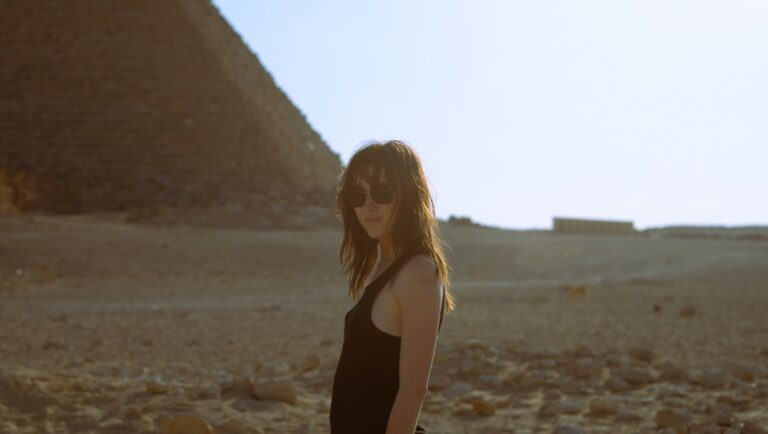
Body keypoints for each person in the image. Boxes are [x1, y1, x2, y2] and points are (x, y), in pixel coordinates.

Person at [329, 140, 456, 434]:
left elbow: (413, 389)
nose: (368, 206)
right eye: (358, 196)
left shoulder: (418, 272)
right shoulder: (382, 268)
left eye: (383, 193)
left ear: (409, 195)